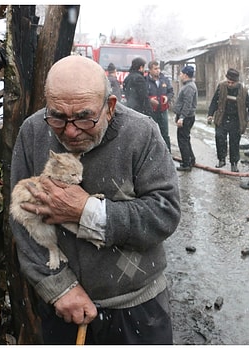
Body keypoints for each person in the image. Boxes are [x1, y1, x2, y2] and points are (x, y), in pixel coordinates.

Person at [10, 55, 181, 344]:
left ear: (110, 107)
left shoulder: (141, 133)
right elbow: (20, 218)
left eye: (84, 117)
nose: (71, 130)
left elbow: (164, 214)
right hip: (62, 309)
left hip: (136, 307)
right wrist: (58, 288)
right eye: (58, 117)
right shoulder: (33, 131)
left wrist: (86, 211)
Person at [206, 68, 249, 172]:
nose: (229, 84)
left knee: (234, 142)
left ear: (237, 82)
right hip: (222, 118)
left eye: (232, 83)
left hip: (236, 120)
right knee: (219, 138)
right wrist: (210, 114)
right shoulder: (221, 87)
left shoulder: (243, 91)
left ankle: (234, 163)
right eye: (228, 82)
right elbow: (214, 101)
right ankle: (221, 160)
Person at [174, 65, 198, 172]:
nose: (180, 75)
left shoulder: (189, 87)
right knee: (186, 138)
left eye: (181, 73)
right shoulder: (189, 85)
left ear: (185, 75)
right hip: (187, 116)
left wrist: (182, 117)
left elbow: (187, 104)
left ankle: (186, 164)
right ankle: (191, 159)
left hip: (186, 117)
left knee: (182, 140)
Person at [146, 60, 174, 151]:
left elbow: (171, 92)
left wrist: (167, 97)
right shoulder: (145, 81)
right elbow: (142, 96)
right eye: (155, 69)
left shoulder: (164, 79)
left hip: (163, 111)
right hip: (151, 111)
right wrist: (149, 100)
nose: (157, 70)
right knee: (152, 133)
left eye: (158, 68)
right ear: (150, 70)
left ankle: (167, 153)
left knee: (165, 133)